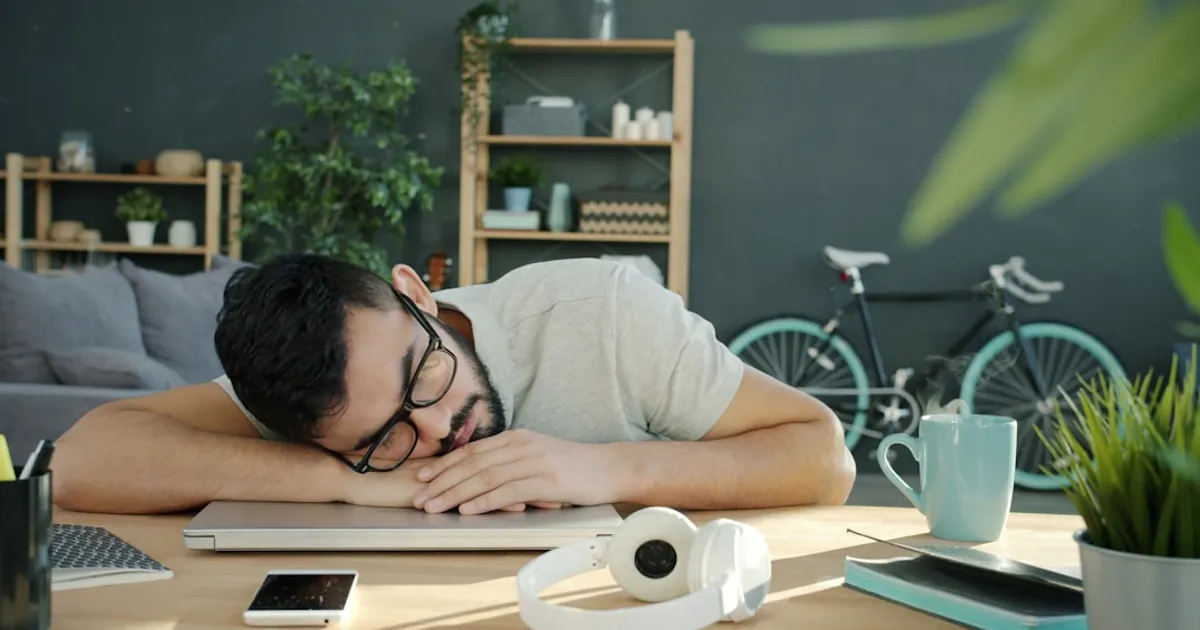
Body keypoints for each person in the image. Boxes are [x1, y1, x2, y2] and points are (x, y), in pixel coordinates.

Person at [53, 254, 856, 515]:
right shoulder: (311, 395)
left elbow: (824, 456)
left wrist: (611, 467)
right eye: (381, 440)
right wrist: (346, 483)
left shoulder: (604, 312)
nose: (437, 433)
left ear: (417, 295)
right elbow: (82, 456)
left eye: (421, 373)